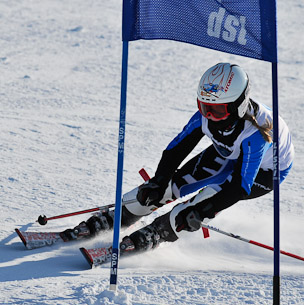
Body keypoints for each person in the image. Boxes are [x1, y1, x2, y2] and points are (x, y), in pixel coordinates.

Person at [62, 62, 295, 255]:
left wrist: (203, 212)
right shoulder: (208, 116)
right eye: (205, 108)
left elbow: (239, 187)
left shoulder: (257, 135)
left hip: (266, 173)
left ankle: (159, 232)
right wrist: (158, 181)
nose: (210, 117)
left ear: (238, 105)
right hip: (230, 151)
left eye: (218, 111)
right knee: (170, 185)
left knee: (201, 203)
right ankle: (116, 217)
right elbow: (176, 149)